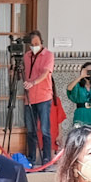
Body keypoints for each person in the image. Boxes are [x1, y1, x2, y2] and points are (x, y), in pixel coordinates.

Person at [22, 31, 56, 165]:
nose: (34, 46)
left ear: (41, 42)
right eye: (32, 44)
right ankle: (31, 157)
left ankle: (46, 157)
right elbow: (24, 72)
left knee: (45, 129)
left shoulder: (48, 55)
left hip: (43, 96)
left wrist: (33, 83)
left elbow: (45, 73)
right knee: (30, 129)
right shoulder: (26, 56)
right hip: (29, 97)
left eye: (37, 43)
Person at [67, 62, 91, 136]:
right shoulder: (78, 85)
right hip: (80, 113)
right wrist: (80, 77)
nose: (89, 73)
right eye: (87, 70)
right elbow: (69, 89)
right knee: (79, 137)